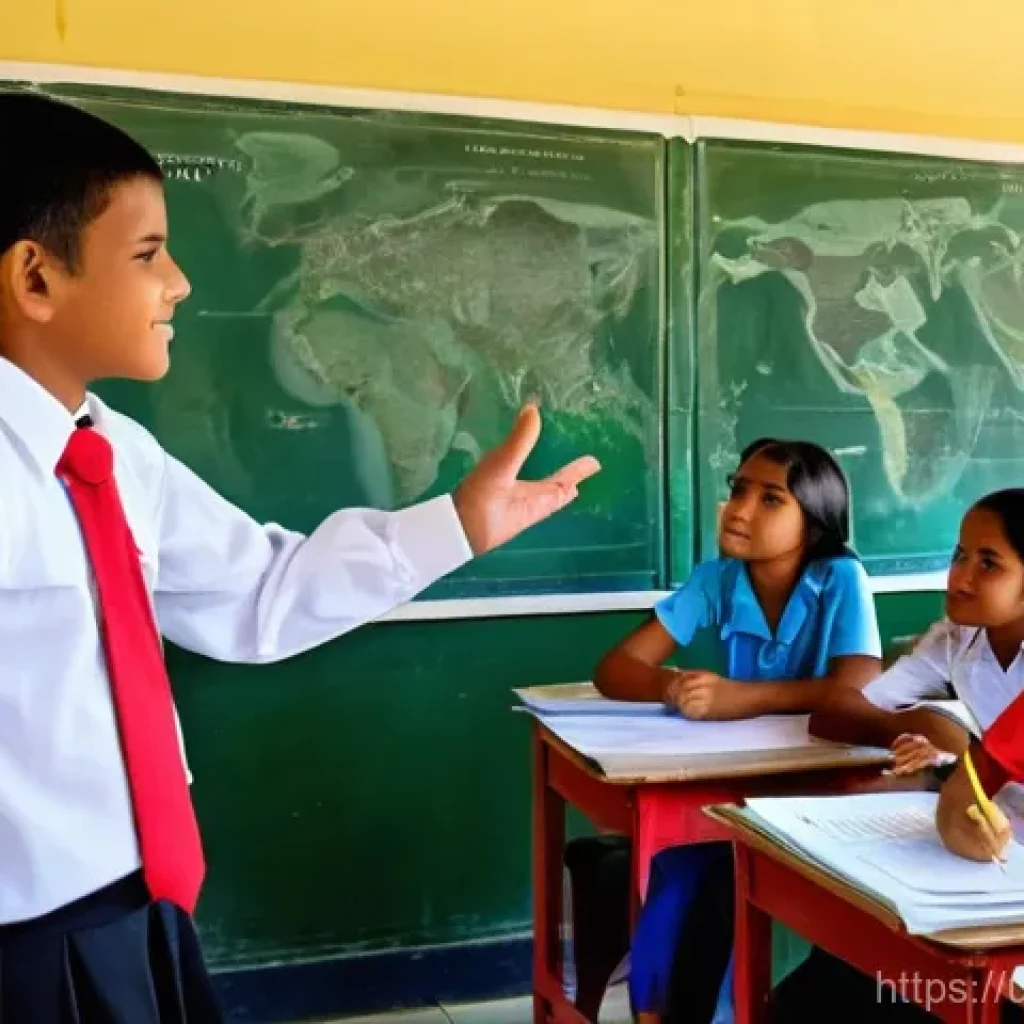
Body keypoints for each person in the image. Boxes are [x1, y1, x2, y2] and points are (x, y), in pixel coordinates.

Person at [0, 91, 600, 1022]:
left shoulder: (110, 450)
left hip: (140, 906)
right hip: (25, 937)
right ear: (36, 277)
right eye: (149, 255)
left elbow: (258, 592)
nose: (179, 285)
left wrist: (456, 525)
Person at [594, 437, 881, 1024]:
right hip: (738, 776)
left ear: (814, 521)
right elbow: (615, 669)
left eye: (770, 498)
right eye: (738, 489)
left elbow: (855, 687)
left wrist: (742, 698)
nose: (739, 509)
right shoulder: (718, 579)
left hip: (823, 781)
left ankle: (736, 1009)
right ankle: (652, 1012)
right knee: (675, 869)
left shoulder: (840, 578)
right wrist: (672, 686)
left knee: (748, 888)